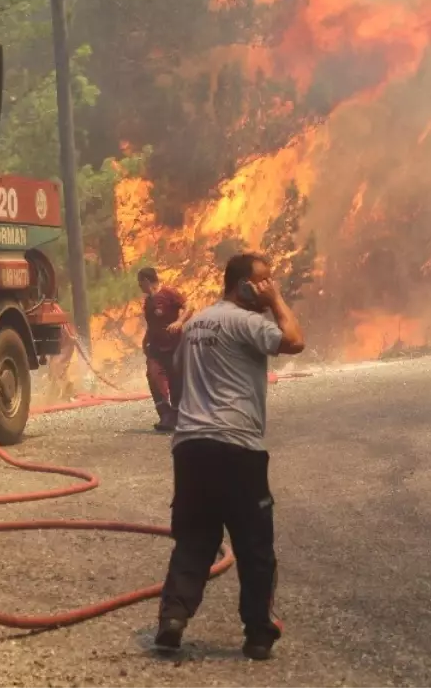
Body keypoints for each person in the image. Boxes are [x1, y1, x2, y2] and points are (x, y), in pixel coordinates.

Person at [154, 252, 305, 661]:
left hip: (190, 447)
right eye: (262, 281)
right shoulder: (249, 321)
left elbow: (185, 377)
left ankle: (172, 619)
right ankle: (258, 633)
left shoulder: (196, 322)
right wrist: (276, 302)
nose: (268, 286)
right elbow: (294, 340)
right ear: (242, 285)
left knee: (194, 540)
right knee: (255, 545)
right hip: (237, 448)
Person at [138, 267, 192, 432]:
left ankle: (177, 418)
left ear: (146, 281)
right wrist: (145, 340)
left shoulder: (169, 293)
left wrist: (179, 322)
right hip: (154, 348)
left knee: (176, 380)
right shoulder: (148, 301)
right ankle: (165, 415)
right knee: (153, 376)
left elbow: (190, 306)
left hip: (174, 346)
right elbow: (152, 324)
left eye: (140, 283)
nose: (139, 287)